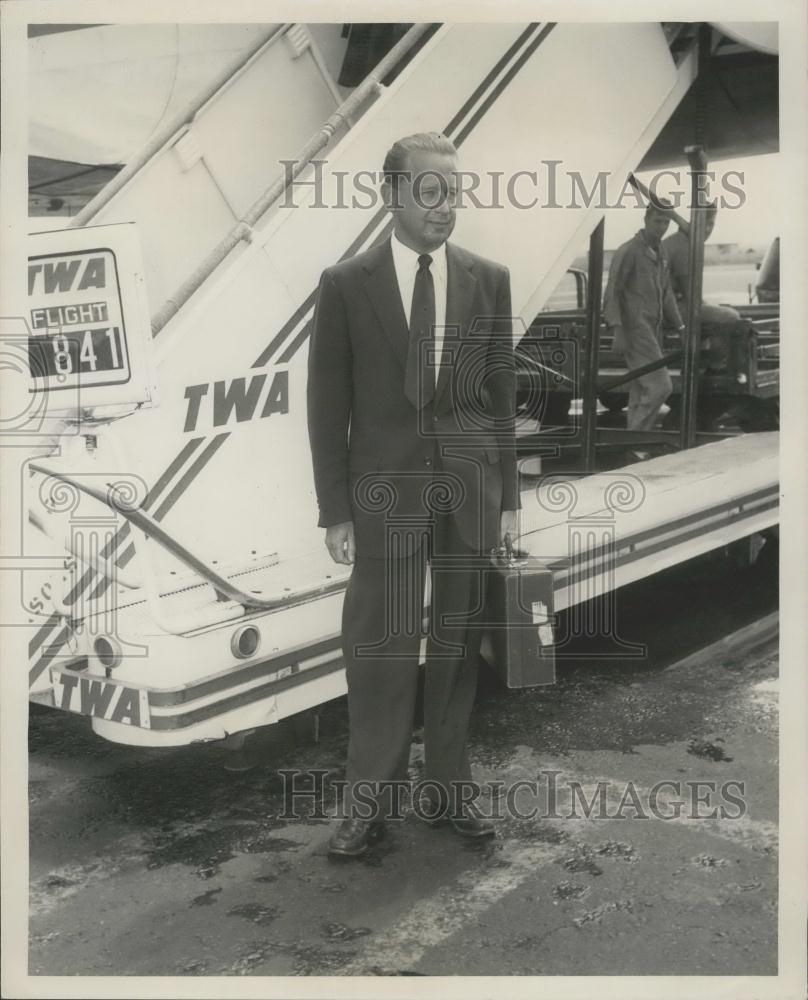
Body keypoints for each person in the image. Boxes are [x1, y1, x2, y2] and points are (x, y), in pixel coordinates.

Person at [307, 132, 519, 857]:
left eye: (454, 191)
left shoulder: (488, 278)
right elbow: (325, 403)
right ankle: (370, 800)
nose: (444, 205)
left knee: (457, 648)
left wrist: (511, 498)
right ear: (392, 193)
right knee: (381, 647)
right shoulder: (345, 285)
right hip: (382, 498)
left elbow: (498, 399)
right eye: (430, 190)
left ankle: (448, 789)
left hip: (468, 493)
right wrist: (335, 507)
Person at [602, 202, 685, 437]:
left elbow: (666, 293)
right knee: (661, 386)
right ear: (646, 220)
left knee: (641, 389)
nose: (662, 227)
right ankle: (637, 439)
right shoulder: (629, 251)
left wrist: (680, 325)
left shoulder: (661, 252)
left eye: (666, 222)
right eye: (657, 221)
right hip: (635, 329)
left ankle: (632, 447)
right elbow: (612, 292)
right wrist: (617, 330)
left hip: (653, 328)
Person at [662, 202, 742, 371]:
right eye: (704, 223)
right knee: (731, 316)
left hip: (668, 306)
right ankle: (717, 367)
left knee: (718, 311)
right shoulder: (684, 246)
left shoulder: (677, 241)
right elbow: (691, 297)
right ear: (692, 221)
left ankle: (702, 360)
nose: (707, 229)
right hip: (669, 309)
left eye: (710, 223)